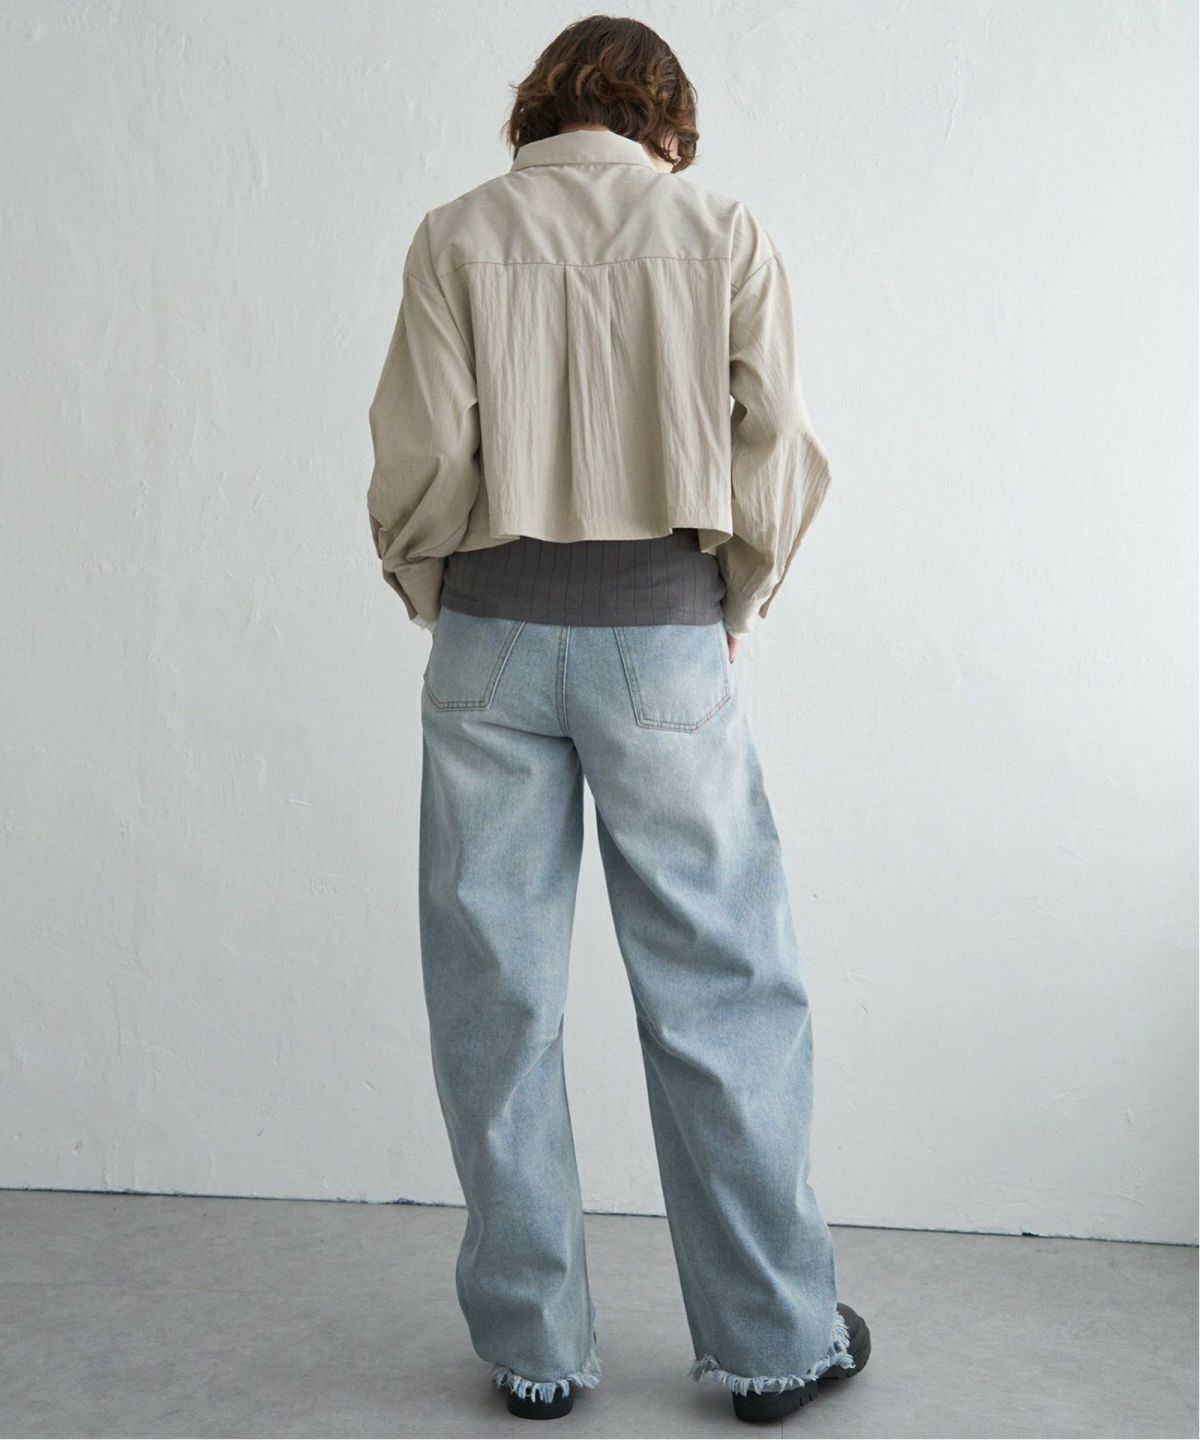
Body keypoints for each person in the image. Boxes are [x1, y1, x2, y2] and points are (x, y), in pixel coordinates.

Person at [365, 13, 870, 1425]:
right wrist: (735, 592)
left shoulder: (456, 234)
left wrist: (436, 587)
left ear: (540, 105)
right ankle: (775, 1341)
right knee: (722, 991)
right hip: (662, 639)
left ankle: (536, 1350)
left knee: (496, 998)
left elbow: (420, 450)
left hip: (488, 641)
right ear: (665, 115)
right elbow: (780, 446)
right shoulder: (720, 229)